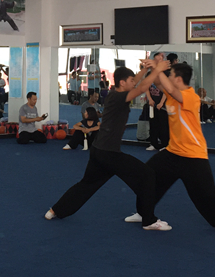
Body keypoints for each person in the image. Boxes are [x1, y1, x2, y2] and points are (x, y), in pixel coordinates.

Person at [45, 62, 172, 231]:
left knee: (86, 184)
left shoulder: (114, 94)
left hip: (98, 151)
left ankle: (55, 210)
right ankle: (148, 220)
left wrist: (146, 69)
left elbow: (137, 82)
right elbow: (142, 88)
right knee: (147, 175)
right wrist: (157, 70)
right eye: (131, 80)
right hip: (110, 154)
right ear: (122, 83)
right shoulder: (120, 97)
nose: (134, 82)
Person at [126, 61, 215, 234]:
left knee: (207, 193)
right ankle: (143, 212)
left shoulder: (191, 97)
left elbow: (171, 89)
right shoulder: (171, 94)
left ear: (178, 79)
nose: (168, 77)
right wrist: (153, 67)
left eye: (171, 75)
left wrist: (158, 68)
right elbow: (158, 82)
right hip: (172, 152)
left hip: (193, 155)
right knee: (148, 176)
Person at [147, 53, 175, 151]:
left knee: (164, 124)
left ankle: (165, 144)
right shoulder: (149, 74)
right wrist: (150, 99)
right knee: (153, 124)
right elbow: (146, 87)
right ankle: (153, 143)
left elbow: (167, 89)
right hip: (152, 103)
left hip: (163, 104)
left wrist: (162, 102)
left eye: (162, 57)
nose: (160, 58)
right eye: (158, 56)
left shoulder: (166, 73)